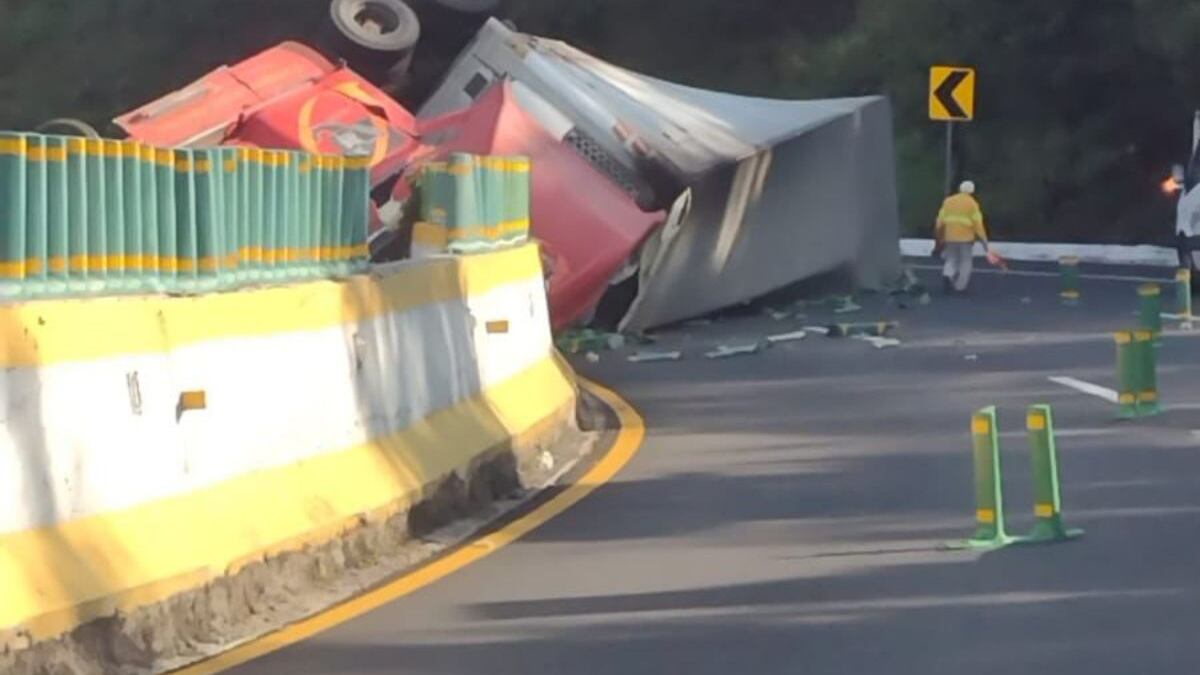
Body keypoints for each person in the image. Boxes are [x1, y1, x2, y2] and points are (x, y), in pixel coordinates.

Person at [934, 180, 990, 293]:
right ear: (972, 191)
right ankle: (960, 286)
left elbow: (940, 220)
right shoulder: (972, 204)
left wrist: (939, 235)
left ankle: (947, 274)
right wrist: (984, 241)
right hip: (966, 238)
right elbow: (978, 224)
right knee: (966, 261)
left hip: (949, 236)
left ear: (960, 189)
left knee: (952, 258)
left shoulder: (948, 201)